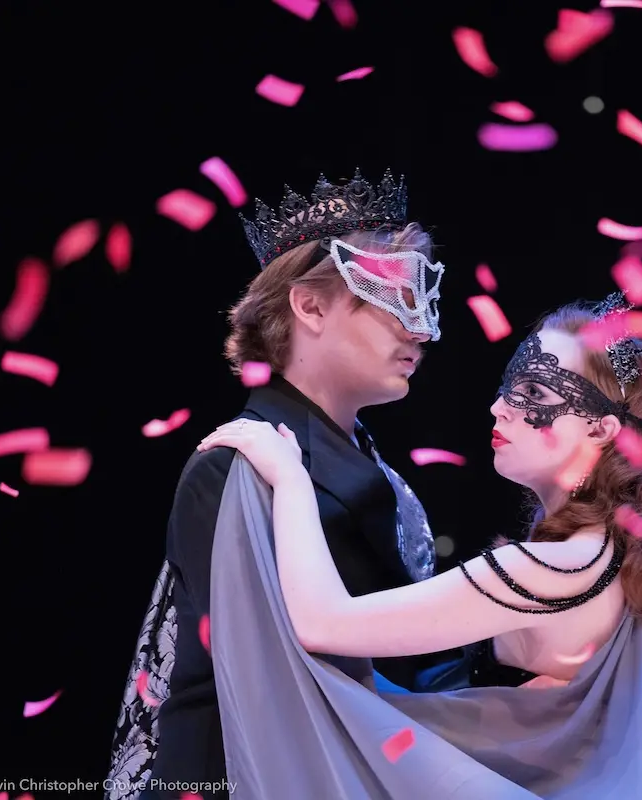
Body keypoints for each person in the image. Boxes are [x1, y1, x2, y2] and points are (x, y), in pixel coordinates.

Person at [198, 293, 642, 798]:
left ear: (599, 428)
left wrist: (288, 479)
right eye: (510, 387)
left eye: (533, 393)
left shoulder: (557, 568)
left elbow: (321, 623)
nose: (499, 409)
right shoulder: (610, 559)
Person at [105, 169, 468, 800]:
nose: (421, 330)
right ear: (310, 305)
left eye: (420, 300)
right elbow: (268, 685)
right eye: (391, 300)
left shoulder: (375, 475)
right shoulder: (234, 467)